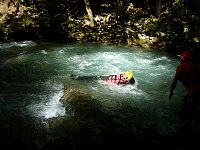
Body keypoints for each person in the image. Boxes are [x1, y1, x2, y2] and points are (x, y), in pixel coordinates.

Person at [169, 50, 200, 128]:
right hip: (197, 92)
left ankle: (183, 130)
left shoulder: (182, 66)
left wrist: (171, 91)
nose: (180, 58)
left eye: (181, 57)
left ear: (185, 58)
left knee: (185, 114)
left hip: (193, 93)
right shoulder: (196, 65)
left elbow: (175, 81)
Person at [70, 70, 135, 85]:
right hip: (105, 79)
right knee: (90, 79)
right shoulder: (122, 81)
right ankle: (76, 78)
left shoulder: (120, 77)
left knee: (90, 78)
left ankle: (76, 77)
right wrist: (100, 82)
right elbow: (111, 84)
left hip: (105, 77)